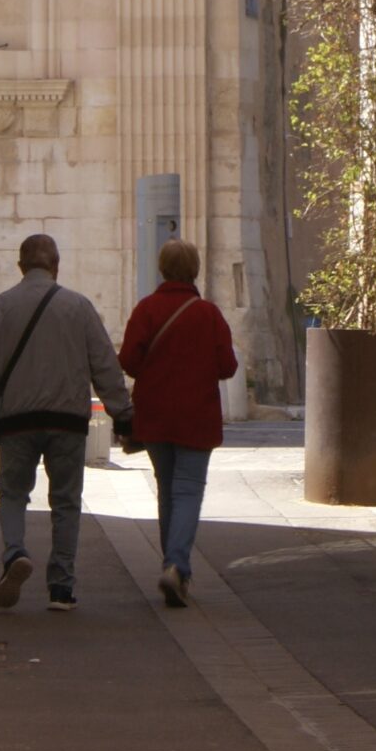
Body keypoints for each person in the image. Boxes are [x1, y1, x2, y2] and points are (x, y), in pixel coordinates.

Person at [0, 233, 130, 612]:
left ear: (21, 266)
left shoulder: (0, 307)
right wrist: (122, 413)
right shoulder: (80, 307)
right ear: (56, 265)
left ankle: (14, 553)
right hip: (68, 421)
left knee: (12, 492)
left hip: (17, 420)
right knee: (66, 502)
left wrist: (6, 379)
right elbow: (105, 365)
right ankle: (61, 587)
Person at [118, 239, 238, 608]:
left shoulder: (147, 309)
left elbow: (128, 360)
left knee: (167, 491)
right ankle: (177, 565)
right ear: (195, 269)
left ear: (162, 268)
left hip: (155, 417)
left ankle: (175, 567)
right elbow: (228, 367)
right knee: (187, 491)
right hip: (196, 418)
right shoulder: (208, 314)